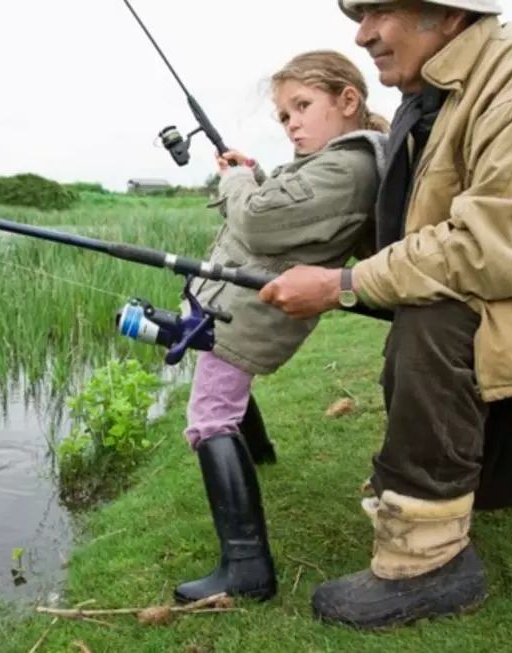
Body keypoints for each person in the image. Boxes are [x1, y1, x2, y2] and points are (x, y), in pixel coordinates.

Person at [258, 0, 512, 630]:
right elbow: (414, 234)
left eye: (380, 10)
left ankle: (427, 564)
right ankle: (466, 475)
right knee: (496, 482)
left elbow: (490, 246)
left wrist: (343, 284)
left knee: (435, 319)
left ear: (449, 15)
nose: (362, 32)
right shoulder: (433, 96)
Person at [172, 49, 390, 605]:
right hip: (235, 308)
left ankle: (246, 569)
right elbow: (291, 211)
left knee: (208, 418)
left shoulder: (348, 166)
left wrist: (239, 182)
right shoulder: (338, 161)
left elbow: (259, 220)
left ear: (348, 101)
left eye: (302, 105)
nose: (291, 121)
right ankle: (260, 454)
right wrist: (255, 174)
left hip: (248, 312)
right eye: (283, 114)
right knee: (224, 391)